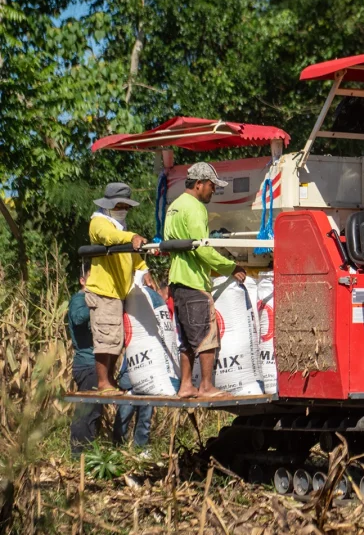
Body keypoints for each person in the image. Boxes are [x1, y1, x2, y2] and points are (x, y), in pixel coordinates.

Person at [164, 162, 246, 399]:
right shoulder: (196, 208)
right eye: (211, 186)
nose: (213, 191)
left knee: (187, 338)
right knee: (207, 334)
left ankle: (186, 385)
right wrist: (230, 266)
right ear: (198, 184)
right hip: (193, 281)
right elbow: (202, 248)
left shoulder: (174, 206)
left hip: (176, 280)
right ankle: (207, 386)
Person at [85, 182, 151, 392]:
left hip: (117, 293)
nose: (124, 210)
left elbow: (130, 255)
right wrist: (131, 237)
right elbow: (110, 238)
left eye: (127, 207)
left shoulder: (119, 227)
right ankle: (104, 381)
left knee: (116, 339)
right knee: (106, 338)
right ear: (109, 204)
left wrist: (143, 267)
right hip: (104, 291)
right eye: (121, 206)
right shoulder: (100, 222)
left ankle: (109, 380)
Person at [68, 276, 102, 456]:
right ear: (82, 280)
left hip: (95, 365)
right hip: (86, 365)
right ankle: (77, 454)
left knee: (94, 411)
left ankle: (88, 453)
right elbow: (78, 318)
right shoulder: (79, 299)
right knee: (85, 411)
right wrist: (95, 303)